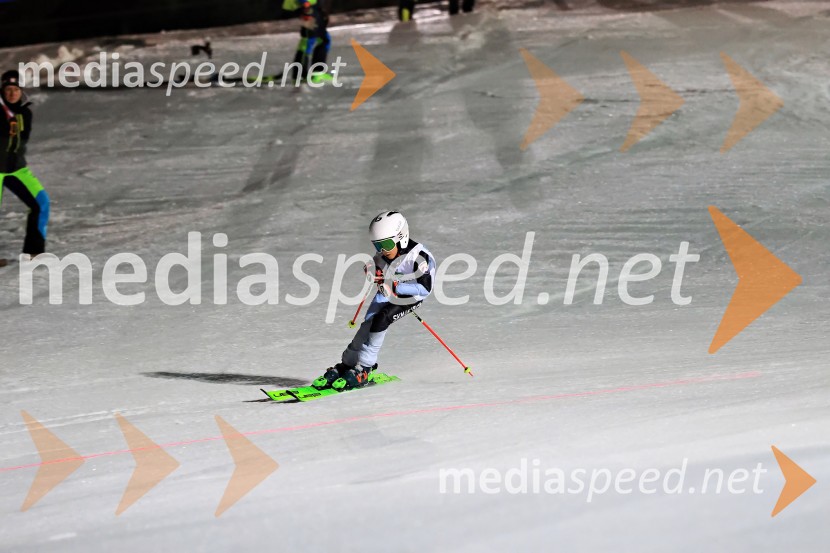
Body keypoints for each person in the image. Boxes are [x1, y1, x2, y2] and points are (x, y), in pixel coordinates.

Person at [314, 211, 437, 390]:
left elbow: (425, 289)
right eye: (377, 245)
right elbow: (375, 263)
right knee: (368, 324)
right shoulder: (386, 252)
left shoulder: (419, 257)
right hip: (387, 291)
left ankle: (365, 367)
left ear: (401, 237)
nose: (382, 250)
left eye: (385, 244)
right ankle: (348, 364)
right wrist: (373, 270)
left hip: (411, 296)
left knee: (382, 319)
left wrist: (395, 287)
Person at [0, 70, 50, 258]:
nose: (12, 93)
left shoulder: (25, 113)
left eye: (16, 89)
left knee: (41, 203)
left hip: (16, 169)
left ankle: (34, 252)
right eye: (8, 90)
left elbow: (23, 139)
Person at [282, 0, 332, 85]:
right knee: (308, 40)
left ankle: (317, 71)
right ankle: (299, 75)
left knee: (323, 39)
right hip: (306, 7)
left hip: (312, 7)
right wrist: (304, 4)